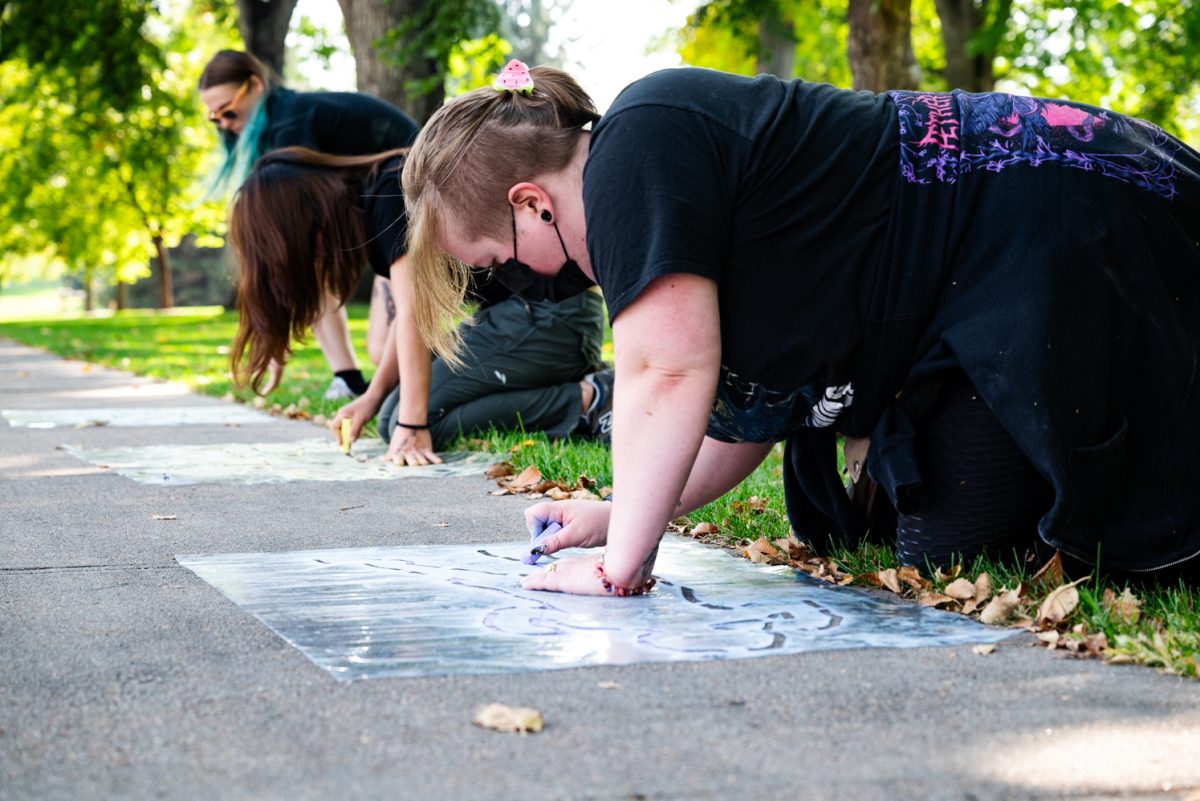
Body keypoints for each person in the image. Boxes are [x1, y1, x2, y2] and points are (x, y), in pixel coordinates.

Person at [399, 60, 1200, 594]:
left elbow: (665, 375)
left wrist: (619, 567)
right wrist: (622, 513)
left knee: (1059, 546)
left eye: (496, 264)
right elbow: (743, 407)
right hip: (980, 286)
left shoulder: (632, 152)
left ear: (531, 204)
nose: (518, 283)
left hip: (1053, 230)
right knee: (937, 556)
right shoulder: (644, 172)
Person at [227, 146, 613, 466]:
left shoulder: (390, 195)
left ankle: (589, 399)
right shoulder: (375, 197)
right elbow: (408, 314)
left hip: (551, 319)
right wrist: (372, 397)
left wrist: (413, 426)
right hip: (517, 320)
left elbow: (414, 316)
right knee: (388, 422)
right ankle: (568, 386)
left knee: (416, 421)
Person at [199, 49, 418, 400]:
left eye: (228, 111)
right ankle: (348, 379)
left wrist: (275, 337)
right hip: (384, 216)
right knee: (382, 345)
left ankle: (379, 387)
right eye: (215, 119)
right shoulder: (276, 128)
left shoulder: (291, 124)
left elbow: (296, 236)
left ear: (255, 86)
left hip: (407, 203)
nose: (224, 124)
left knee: (386, 346)